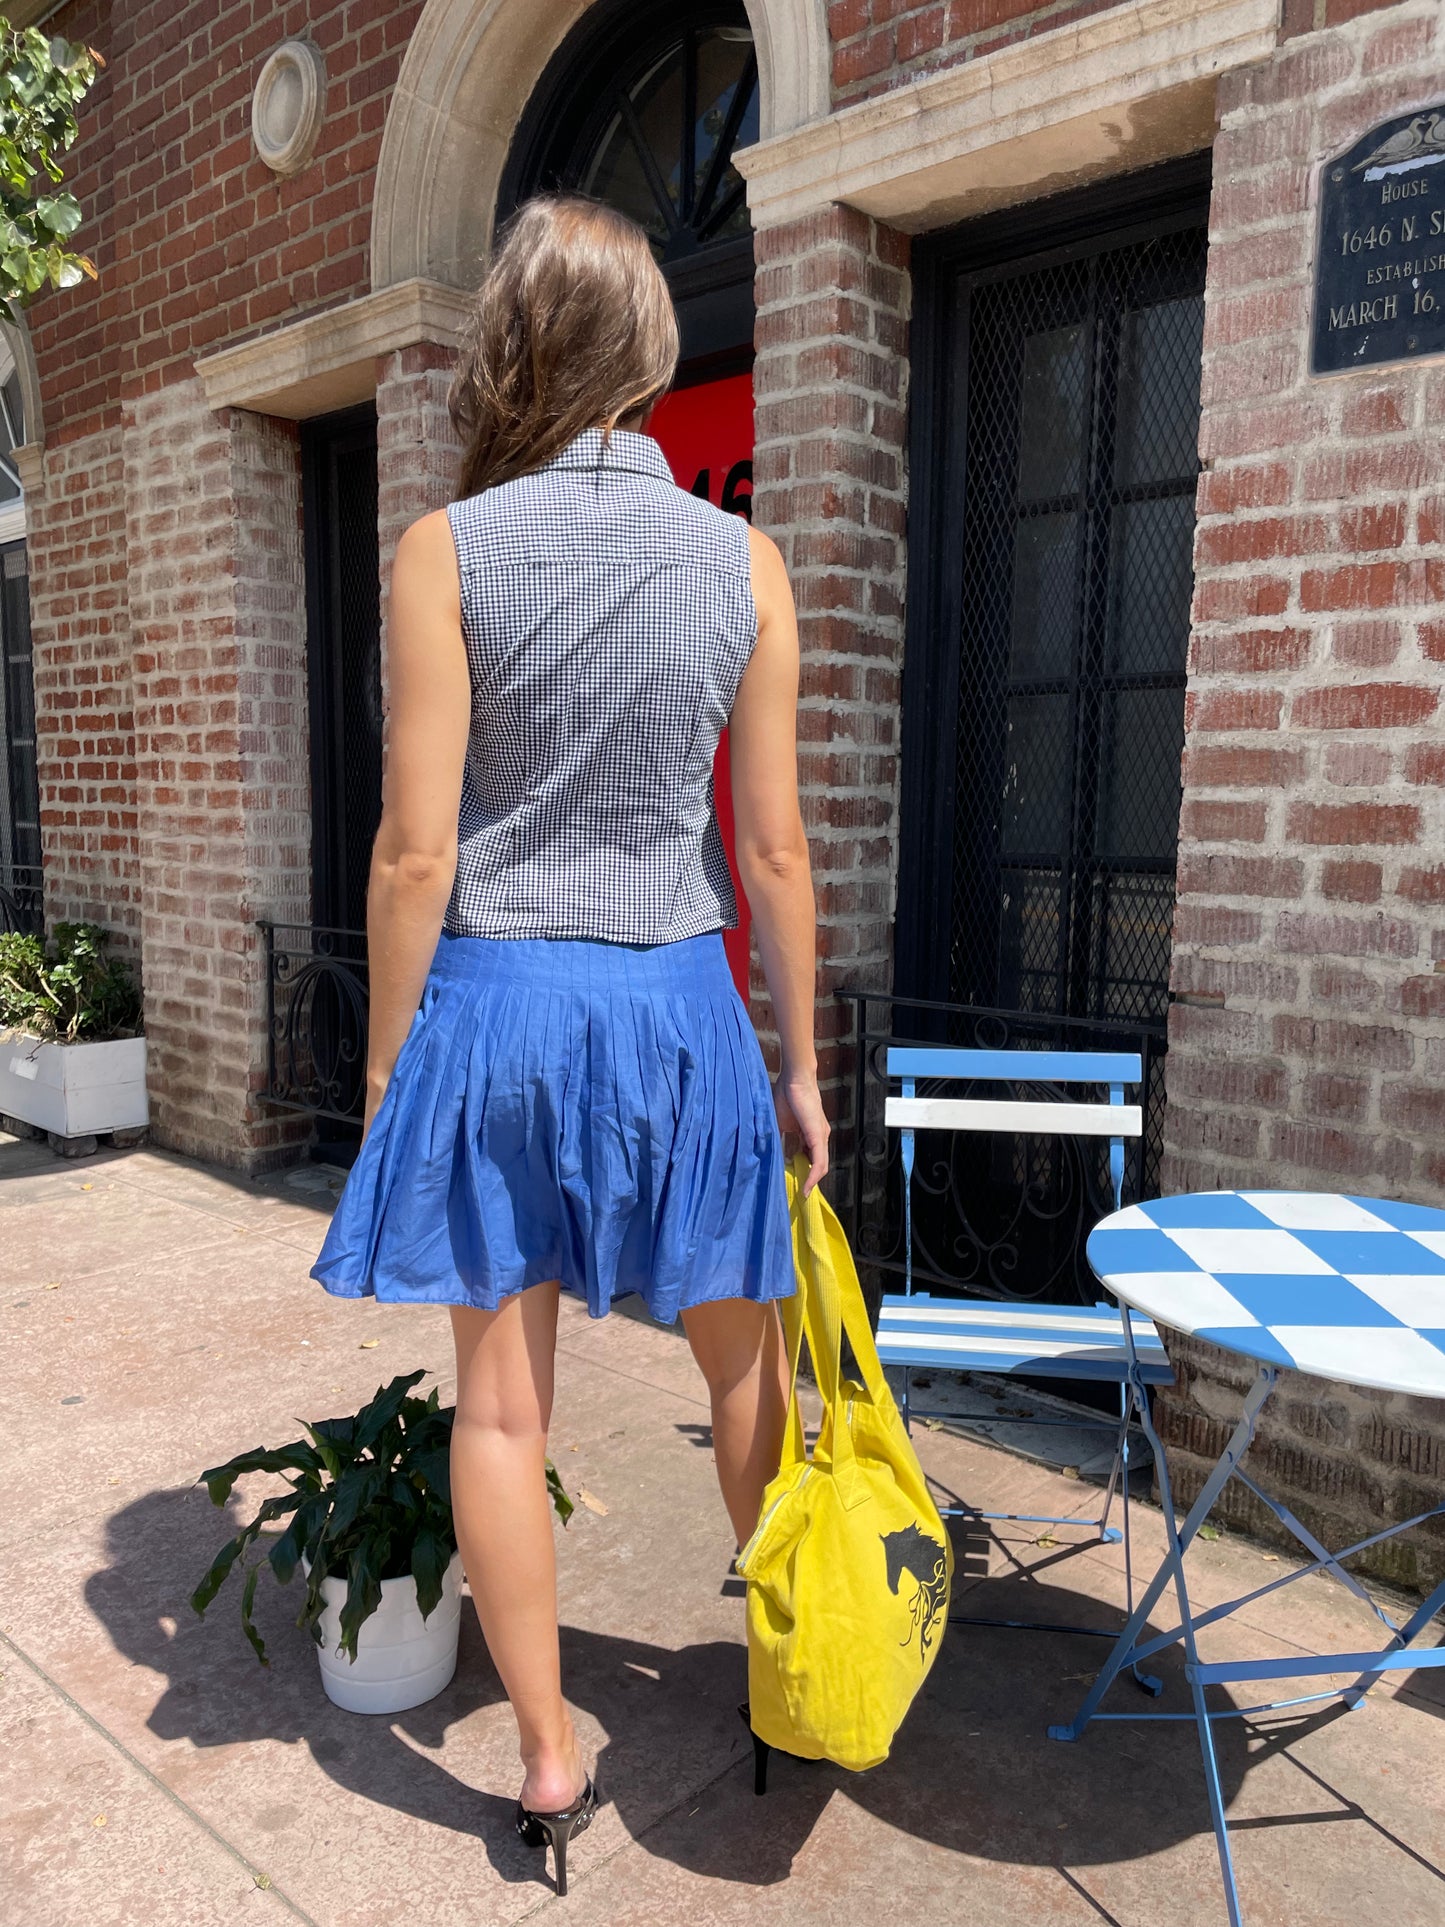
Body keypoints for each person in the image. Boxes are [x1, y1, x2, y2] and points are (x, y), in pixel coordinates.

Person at [311, 194, 828, 1896]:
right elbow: (770, 850)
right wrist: (799, 1064)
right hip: (679, 1006)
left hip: (501, 1011)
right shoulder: (743, 563)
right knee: (742, 1369)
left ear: (511, 347)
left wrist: (386, 1073)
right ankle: (782, 1671)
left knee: (500, 1407)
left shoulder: (443, 551)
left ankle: (544, 1758)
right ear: (653, 352)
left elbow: (414, 850)